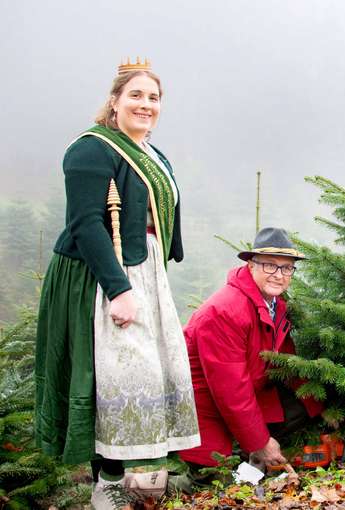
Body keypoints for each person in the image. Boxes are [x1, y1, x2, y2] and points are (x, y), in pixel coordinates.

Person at [35, 59, 200, 509]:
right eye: (136, 96)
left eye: (153, 98)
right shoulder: (91, 150)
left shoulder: (149, 150)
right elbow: (87, 224)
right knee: (114, 372)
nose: (146, 105)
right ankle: (106, 482)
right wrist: (118, 288)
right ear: (114, 101)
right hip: (99, 273)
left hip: (142, 267)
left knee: (146, 372)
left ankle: (134, 477)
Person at [179, 228, 323, 474]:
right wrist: (261, 442)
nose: (279, 275)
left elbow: (286, 362)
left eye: (287, 268)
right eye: (270, 265)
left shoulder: (274, 305)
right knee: (209, 482)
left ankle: (248, 453)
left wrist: (320, 407)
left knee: (302, 405)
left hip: (246, 394)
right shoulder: (225, 311)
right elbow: (230, 390)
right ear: (250, 265)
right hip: (203, 409)